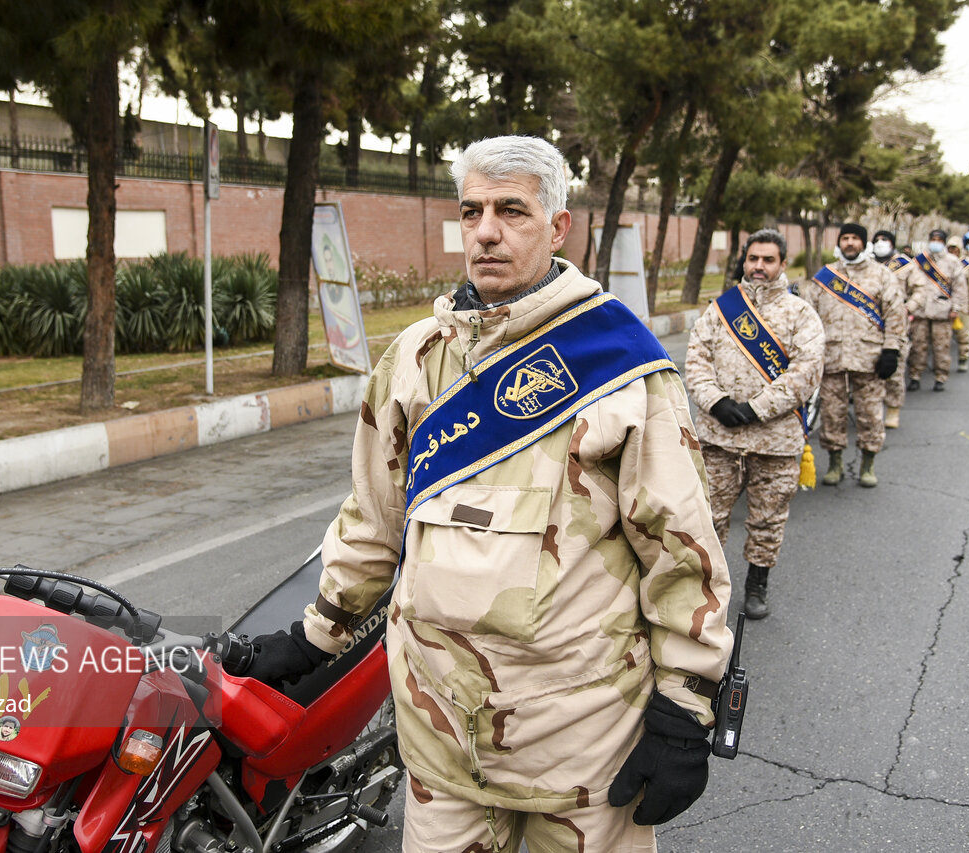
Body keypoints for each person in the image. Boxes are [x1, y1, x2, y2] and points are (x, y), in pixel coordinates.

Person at [242, 136, 733, 853]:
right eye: (471, 212)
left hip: (582, 752)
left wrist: (686, 707)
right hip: (440, 747)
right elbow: (374, 519)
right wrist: (316, 631)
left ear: (559, 226)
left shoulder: (619, 363)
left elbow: (680, 546)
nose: (486, 232)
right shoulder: (413, 358)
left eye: (512, 211)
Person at [684, 229, 824, 620]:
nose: (759, 267)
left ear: (782, 263)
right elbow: (696, 360)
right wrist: (717, 402)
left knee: (767, 519)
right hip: (718, 437)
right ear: (743, 260)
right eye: (753, 259)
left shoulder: (801, 313)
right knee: (707, 518)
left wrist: (755, 409)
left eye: (768, 260)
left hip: (776, 442)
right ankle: (707, 589)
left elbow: (807, 372)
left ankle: (757, 585)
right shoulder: (720, 309)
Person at [799, 223, 906, 488]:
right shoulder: (825, 277)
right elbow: (808, 317)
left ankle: (868, 464)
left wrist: (891, 350)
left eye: (854, 239)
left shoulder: (881, 275)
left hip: (870, 358)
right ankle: (835, 464)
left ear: (864, 243)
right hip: (831, 358)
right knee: (832, 415)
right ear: (839, 242)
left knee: (870, 414)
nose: (849, 243)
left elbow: (895, 315)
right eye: (845, 238)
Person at [900, 228, 969, 393]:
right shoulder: (919, 261)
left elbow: (960, 288)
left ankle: (940, 377)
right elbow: (907, 282)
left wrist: (956, 308)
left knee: (941, 347)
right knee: (917, 346)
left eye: (939, 240)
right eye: (933, 239)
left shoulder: (952, 262)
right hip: (920, 311)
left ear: (944, 242)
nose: (935, 242)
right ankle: (915, 376)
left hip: (942, 311)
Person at [872, 230, 911, 428]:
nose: (880, 243)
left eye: (884, 240)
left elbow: (919, 289)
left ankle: (893, 409)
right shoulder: (865, 264)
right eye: (877, 240)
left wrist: (910, 306)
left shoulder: (904, 265)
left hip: (897, 322)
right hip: (869, 326)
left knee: (895, 368)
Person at [945, 235, 969, 373]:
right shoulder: (942, 264)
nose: (953, 251)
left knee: (964, 333)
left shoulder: (966, 265)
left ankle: (963, 358)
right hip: (945, 305)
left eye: (955, 248)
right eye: (950, 248)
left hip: (962, 305)